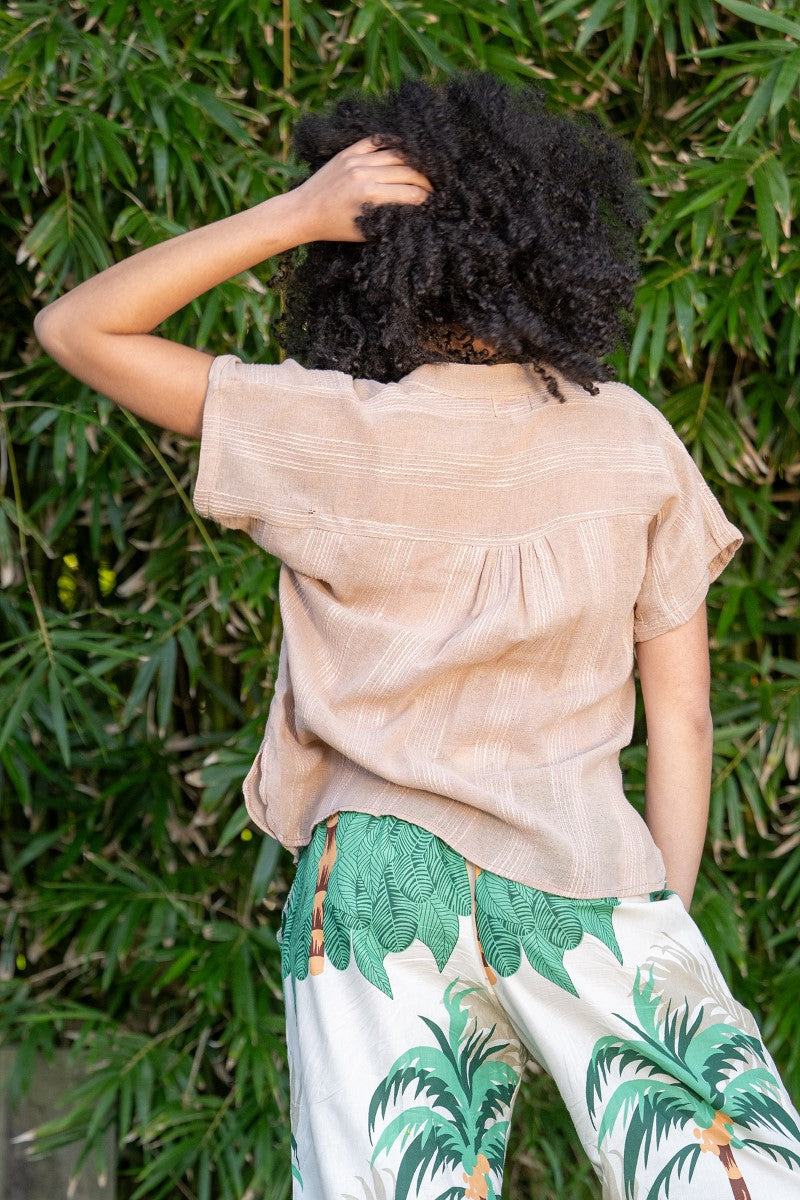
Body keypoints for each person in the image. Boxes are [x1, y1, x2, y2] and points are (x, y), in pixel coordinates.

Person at [34, 71, 800, 1200]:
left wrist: (288, 214)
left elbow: (76, 325)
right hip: (583, 868)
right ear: (550, 248)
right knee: (737, 1177)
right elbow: (680, 719)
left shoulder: (328, 433)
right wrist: (655, 922)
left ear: (366, 270)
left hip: (376, 883)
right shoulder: (630, 440)